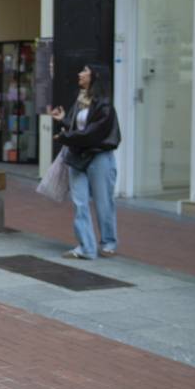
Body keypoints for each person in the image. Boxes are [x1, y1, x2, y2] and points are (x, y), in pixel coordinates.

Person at [47, 63, 120, 259]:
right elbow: (77, 127)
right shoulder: (81, 99)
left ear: (94, 76)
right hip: (77, 156)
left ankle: (108, 243)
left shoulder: (104, 104)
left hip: (99, 157)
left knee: (104, 202)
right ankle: (86, 247)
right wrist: (63, 120)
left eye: (84, 71)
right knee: (80, 202)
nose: (79, 74)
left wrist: (64, 138)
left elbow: (92, 133)